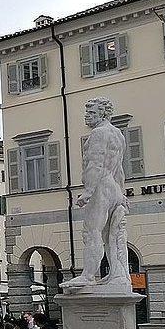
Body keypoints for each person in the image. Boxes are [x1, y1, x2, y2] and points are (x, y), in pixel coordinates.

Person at [62, 97, 129, 290]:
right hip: (114, 187)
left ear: (103, 114)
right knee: (113, 234)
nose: (86, 116)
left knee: (92, 232)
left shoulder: (99, 133)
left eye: (91, 113)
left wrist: (88, 191)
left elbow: (95, 163)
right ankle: (118, 274)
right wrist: (121, 194)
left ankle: (88, 275)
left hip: (101, 186)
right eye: (87, 112)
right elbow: (120, 170)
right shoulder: (118, 134)